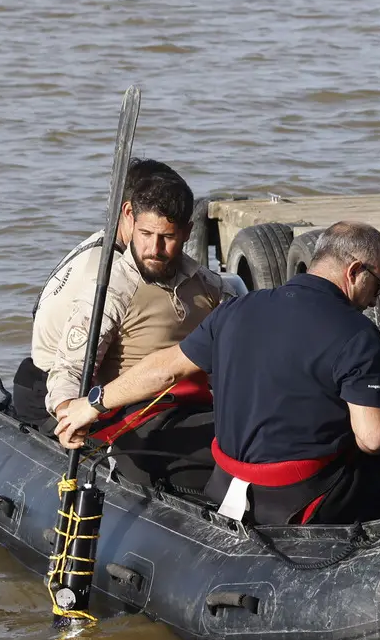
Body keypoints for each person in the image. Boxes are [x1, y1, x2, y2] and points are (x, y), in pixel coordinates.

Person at [56, 222, 380, 525]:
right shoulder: (357, 333)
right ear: (354, 271)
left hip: (225, 484)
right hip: (301, 500)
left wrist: (92, 404)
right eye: (379, 281)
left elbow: (164, 368)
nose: (379, 296)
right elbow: (371, 439)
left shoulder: (237, 309)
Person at [18, 159, 226, 435]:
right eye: (146, 234)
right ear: (131, 215)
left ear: (187, 233)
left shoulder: (207, 284)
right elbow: (69, 368)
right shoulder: (106, 281)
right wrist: (69, 411)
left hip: (191, 404)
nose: (155, 248)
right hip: (122, 411)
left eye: (167, 236)